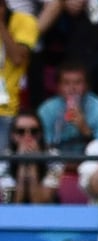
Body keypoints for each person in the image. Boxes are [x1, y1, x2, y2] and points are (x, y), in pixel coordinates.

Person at [36, 60, 98, 156]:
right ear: (58, 87)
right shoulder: (47, 110)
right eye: (66, 83)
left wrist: (85, 130)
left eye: (78, 83)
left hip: (89, 160)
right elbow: (44, 147)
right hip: (57, 161)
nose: (72, 88)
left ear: (87, 86)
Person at [0, 111, 61, 203]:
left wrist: (33, 163)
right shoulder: (4, 159)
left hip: (48, 214)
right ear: (13, 136)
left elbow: (40, 202)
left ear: (40, 134)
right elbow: (12, 202)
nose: (28, 137)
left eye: (34, 131)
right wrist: (22, 164)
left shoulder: (53, 157)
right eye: (21, 132)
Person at [0, 3, 39, 146]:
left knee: (3, 166)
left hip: (7, 109)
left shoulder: (25, 22)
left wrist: (1, 25)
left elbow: (17, 58)